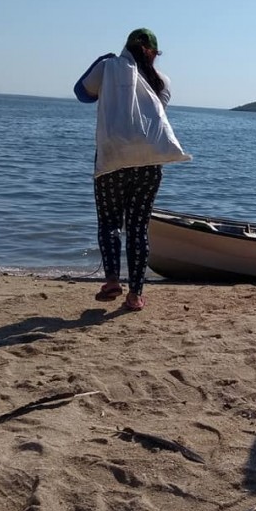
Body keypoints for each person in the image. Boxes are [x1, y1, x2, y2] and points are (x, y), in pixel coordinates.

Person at [74, 28, 182, 311]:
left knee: (109, 223)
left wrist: (100, 61)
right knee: (137, 228)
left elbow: (82, 94)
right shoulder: (163, 82)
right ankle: (135, 295)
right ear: (154, 54)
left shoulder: (108, 68)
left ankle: (111, 280)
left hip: (112, 160)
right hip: (147, 162)